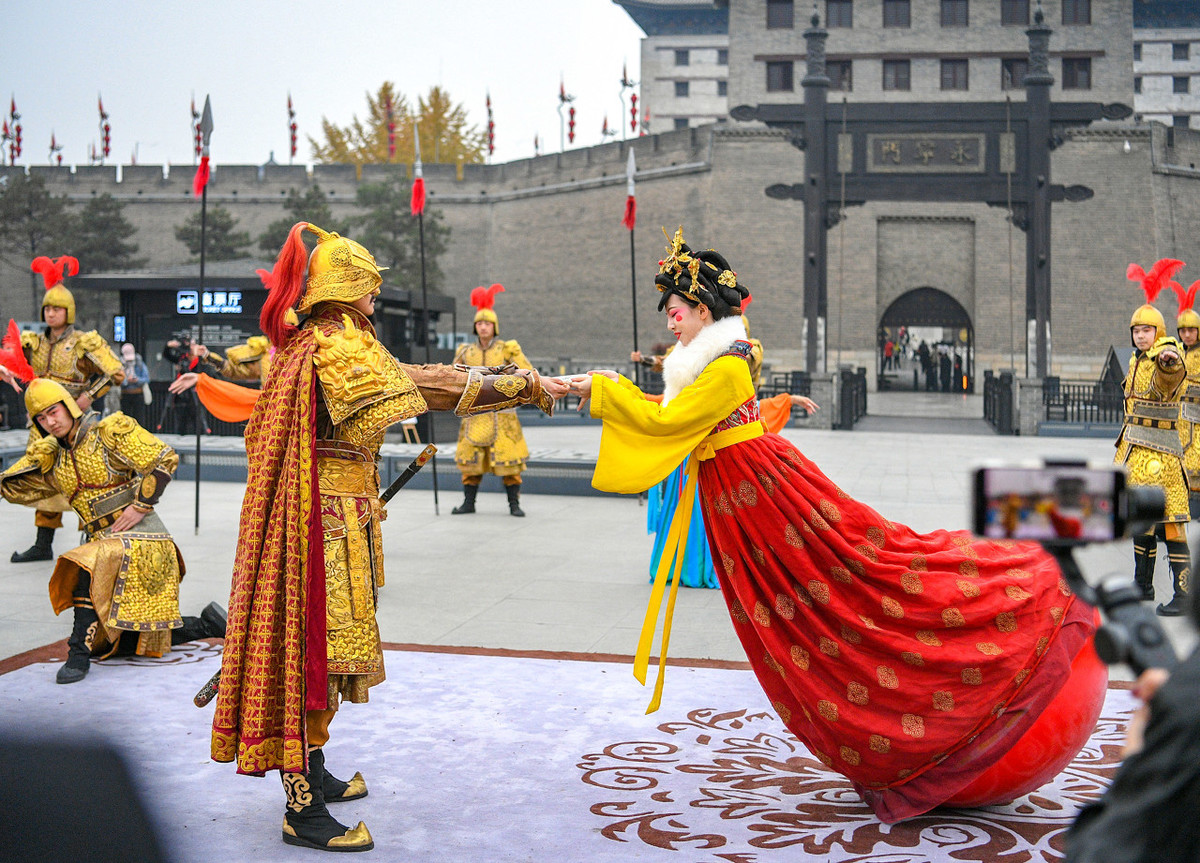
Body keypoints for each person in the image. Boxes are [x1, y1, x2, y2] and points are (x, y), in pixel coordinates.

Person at [568, 227, 1103, 823]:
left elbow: (670, 423)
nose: (670, 323)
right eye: (668, 313)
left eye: (676, 311)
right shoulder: (719, 361)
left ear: (702, 310)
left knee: (857, 577)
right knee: (817, 599)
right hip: (743, 496)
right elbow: (726, 423)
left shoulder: (721, 367)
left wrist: (601, 388)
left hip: (761, 499)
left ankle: (973, 655)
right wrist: (777, 408)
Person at [209, 223, 566, 852]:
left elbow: (404, 382)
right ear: (349, 286)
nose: (378, 295)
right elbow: (426, 387)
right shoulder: (337, 341)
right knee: (315, 655)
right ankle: (302, 810)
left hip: (335, 515)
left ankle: (314, 775)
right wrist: (528, 384)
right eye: (371, 284)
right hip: (321, 525)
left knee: (327, 649)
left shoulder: (316, 341)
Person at [0, 378, 226, 684]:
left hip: (144, 539)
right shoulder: (52, 457)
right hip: (102, 543)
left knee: (83, 567)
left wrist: (141, 505)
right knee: (117, 644)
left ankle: (76, 654)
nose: (50, 421)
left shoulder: (108, 433)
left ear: (68, 406)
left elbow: (163, 458)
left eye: (54, 411)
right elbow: (13, 485)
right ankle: (206, 626)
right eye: (41, 418)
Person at [0, 255, 125, 563]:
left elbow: (115, 373)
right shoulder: (33, 343)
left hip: (76, 422)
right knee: (45, 475)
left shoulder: (84, 342)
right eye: (47, 308)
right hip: (42, 422)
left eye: (56, 308)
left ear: (68, 311)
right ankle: (44, 543)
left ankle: (92, 537)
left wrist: (87, 397)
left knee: (84, 477)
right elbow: (12, 364)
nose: (50, 312)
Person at [1118, 259, 1190, 617]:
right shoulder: (1135, 360)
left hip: (1161, 457)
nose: (1141, 335)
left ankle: (1184, 592)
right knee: (1140, 523)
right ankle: (1141, 585)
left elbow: (1171, 373)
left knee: (1172, 524)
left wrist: (1166, 359)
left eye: (1147, 330)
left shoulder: (1166, 353)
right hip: (1135, 455)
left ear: (1159, 331)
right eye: (1136, 330)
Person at [450, 283, 538, 517]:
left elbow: (527, 371)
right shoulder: (465, 351)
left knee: (509, 462)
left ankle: (514, 504)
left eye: (487, 323)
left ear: (494, 326)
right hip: (474, 414)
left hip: (503, 415)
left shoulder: (507, 349)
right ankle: (469, 503)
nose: (483, 327)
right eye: (479, 323)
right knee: (470, 463)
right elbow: (454, 377)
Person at [1171, 277, 1200, 512]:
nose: (1187, 334)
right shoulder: (1174, 351)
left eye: (1191, 330)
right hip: (1179, 417)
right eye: (1183, 330)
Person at [119, 343, 151, 425]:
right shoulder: (119, 364)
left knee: (139, 417)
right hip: (125, 394)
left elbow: (146, 378)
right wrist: (126, 381)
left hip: (138, 394)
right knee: (126, 418)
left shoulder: (139, 363)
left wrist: (137, 380)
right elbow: (116, 379)